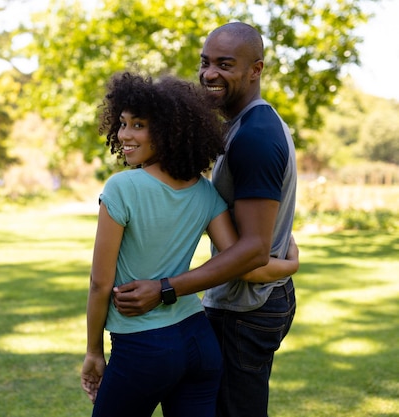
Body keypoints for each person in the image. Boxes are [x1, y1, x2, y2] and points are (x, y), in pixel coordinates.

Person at [82, 71, 298, 417]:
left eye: (138, 125)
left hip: (143, 347)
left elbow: (99, 283)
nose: (125, 134)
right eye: (122, 124)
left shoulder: (122, 188)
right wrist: (289, 265)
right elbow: (243, 264)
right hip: (199, 343)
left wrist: (94, 352)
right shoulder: (204, 191)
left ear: (167, 131)